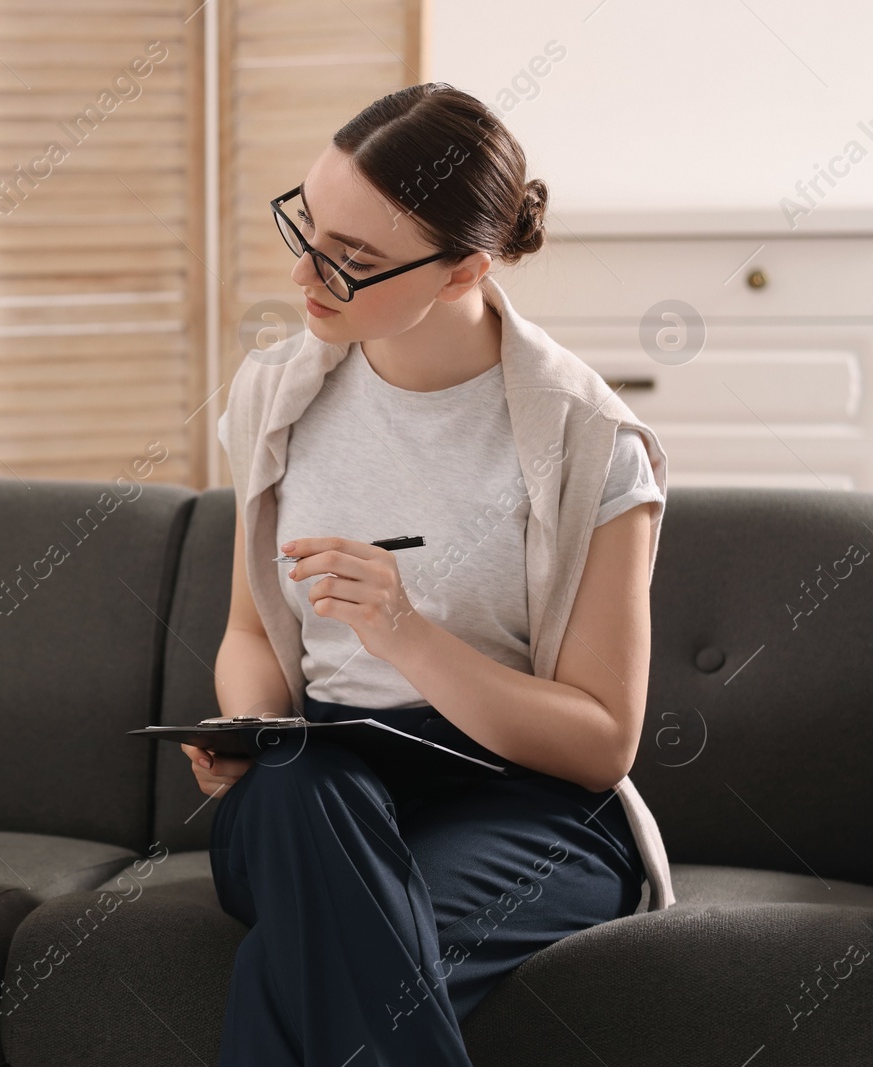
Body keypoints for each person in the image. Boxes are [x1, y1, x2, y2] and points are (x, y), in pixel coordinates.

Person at [191, 83, 675, 1066]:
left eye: (352, 258)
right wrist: (246, 728)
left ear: (464, 268)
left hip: (525, 807)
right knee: (294, 783)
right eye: (307, 225)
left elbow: (598, 742)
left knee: (294, 974)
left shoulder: (588, 443)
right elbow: (251, 634)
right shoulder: (271, 398)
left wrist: (404, 632)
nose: (305, 272)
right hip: (315, 792)